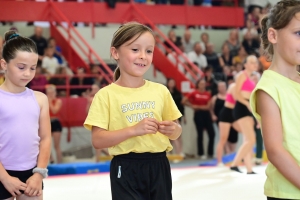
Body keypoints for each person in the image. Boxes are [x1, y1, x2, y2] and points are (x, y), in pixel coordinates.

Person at [84, 22, 182, 200]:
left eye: (149, 51)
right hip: (126, 166)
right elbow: (97, 140)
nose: (143, 56)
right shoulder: (105, 95)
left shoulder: (161, 91)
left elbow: (176, 131)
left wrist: (173, 130)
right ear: (115, 53)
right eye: (135, 49)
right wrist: (133, 130)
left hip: (159, 165)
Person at [251, 1, 300, 198]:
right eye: (298, 33)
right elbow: (275, 151)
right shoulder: (268, 88)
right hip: (287, 193)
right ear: (273, 35)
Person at [0, 31, 51, 199]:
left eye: (33, 68)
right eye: (21, 67)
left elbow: (45, 139)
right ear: (4, 64)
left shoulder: (40, 99)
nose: (28, 73)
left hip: (31, 174)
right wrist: (5, 178)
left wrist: (39, 174)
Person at [230, 55, 258, 174]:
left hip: (247, 107)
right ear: (245, 64)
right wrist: (247, 104)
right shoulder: (242, 75)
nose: (254, 64)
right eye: (251, 62)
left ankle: (249, 168)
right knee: (251, 139)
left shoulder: (252, 78)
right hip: (242, 107)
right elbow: (237, 94)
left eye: (255, 62)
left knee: (247, 139)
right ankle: (235, 163)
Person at [182, 78, 215, 159]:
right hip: (198, 115)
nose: (202, 85)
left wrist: (198, 106)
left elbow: (208, 106)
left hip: (206, 114)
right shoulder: (194, 92)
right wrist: (192, 106)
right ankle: (201, 153)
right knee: (200, 134)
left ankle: (210, 153)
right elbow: (183, 101)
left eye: (204, 84)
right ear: (198, 84)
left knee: (212, 133)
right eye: (201, 83)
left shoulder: (207, 94)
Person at [215, 82, 240, 165]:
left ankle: (242, 157)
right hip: (226, 114)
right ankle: (219, 161)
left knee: (248, 134)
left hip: (234, 114)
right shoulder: (233, 86)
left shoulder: (241, 88)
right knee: (223, 139)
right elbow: (238, 99)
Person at [85, 84, 109, 162]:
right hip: (95, 121)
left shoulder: (103, 97)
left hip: (102, 120)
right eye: (93, 89)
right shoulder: (92, 99)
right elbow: (87, 111)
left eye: (95, 88)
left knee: (99, 140)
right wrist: (88, 102)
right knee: (96, 141)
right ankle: (104, 155)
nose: (94, 90)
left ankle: (97, 160)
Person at [166, 78, 186, 158]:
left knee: (178, 134)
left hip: (177, 115)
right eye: (170, 82)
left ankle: (179, 152)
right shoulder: (165, 92)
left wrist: (184, 116)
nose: (172, 84)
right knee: (170, 135)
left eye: (173, 82)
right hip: (168, 115)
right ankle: (171, 153)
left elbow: (181, 106)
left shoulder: (178, 93)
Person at [46, 84, 63, 164]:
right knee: (47, 143)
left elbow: (54, 111)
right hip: (48, 122)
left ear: (55, 93)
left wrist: (50, 102)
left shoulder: (58, 101)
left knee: (57, 145)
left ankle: (60, 162)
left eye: (52, 93)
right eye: (49, 93)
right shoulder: (45, 101)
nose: (50, 95)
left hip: (55, 122)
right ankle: (51, 159)